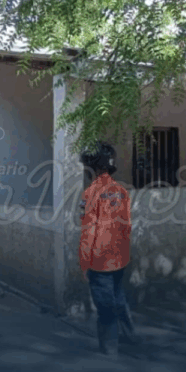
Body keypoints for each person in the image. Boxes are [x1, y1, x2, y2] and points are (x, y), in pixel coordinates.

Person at [79, 142, 141, 357]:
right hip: (119, 259)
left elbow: (88, 232)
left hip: (99, 262)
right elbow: (127, 226)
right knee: (118, 296)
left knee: (105, 308)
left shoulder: (91, 194)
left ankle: (110, 349)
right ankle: (130, 334)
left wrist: (84, 263)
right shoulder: (122, 191)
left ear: (92, 168)